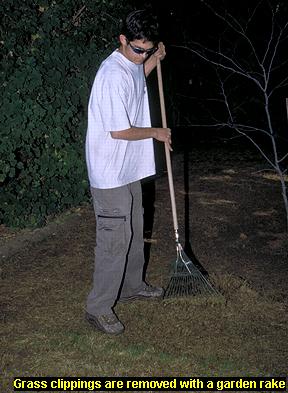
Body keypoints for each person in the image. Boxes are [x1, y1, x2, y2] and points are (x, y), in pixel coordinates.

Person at [85, 9, 171, 335]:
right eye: (139, 49)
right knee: (114, 242)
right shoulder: (110, 75)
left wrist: (154, 60)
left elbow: (138, 75)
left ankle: (133, 286)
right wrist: (156, 132)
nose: (142, 56)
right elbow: (119, 131)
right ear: (122, 39)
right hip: (110, 173)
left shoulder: (132, 63)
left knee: (134, 230)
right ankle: (98, 307)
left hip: (128, 170)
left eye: (147, 49)